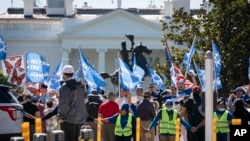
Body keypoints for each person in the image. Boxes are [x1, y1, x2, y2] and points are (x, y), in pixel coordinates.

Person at [58, 65, 88, 141]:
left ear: (63, 74)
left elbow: (64, 104)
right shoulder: (81, 85)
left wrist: (61, 116)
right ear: (73, 73)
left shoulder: (65, 86)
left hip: (69, 119)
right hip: (81, 119)